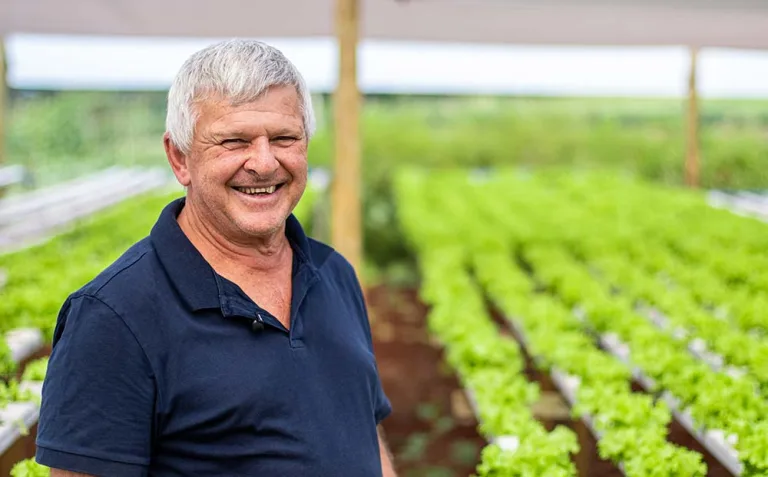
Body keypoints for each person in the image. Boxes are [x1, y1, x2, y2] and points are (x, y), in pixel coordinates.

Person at [35, 39, 397, 477]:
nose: (264, 163)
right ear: (179, 158)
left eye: (284, 138)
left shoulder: (332, 272)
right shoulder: (115, 316)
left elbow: (364, 430)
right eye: (233, 141)